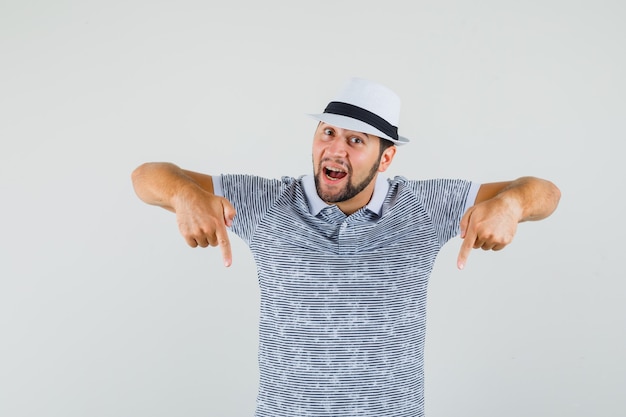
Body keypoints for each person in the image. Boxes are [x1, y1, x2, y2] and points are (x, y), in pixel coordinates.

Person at [131, 77, 561, 417]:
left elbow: (545, 192)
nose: (335, 149)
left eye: (356, 141)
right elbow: (149, 175)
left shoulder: (424, 206)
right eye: (328, 133)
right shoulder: (265, 202)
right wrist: (184, 196)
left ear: (386, 158)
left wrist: (510, 204)